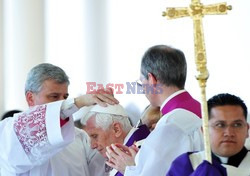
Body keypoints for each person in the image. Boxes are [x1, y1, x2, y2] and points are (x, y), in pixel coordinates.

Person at [0, 63, 119, 176]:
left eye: (65, 97)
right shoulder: (10, 132)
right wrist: (79, 102)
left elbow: (101, 169)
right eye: (54, 96)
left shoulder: (81, 137)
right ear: (30, 98)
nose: (62, 102)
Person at [106, 45, 204, 175]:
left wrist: (129, 169)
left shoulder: (170, 123)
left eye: (141, 82)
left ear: (151, 79)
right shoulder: (205, 111)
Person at [167, 93, 250, 176]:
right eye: (220, 125)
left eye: (237, 125)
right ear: (204, 131)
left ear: (247, 129)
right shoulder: (187, 164)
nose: (228, 133)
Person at [80, 104, 150, 176]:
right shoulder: (117, 156)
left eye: (95, 136)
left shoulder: (144, 151)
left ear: (116, 129)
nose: (92, 146)